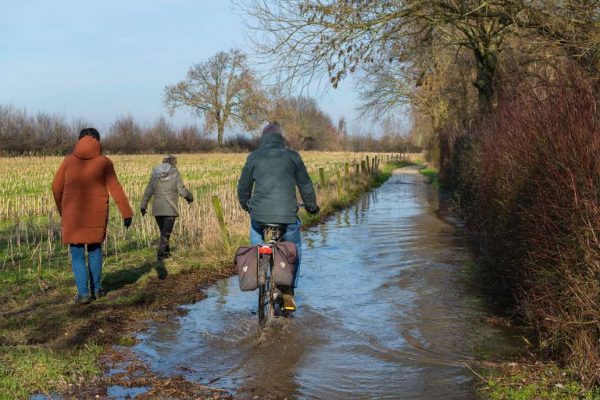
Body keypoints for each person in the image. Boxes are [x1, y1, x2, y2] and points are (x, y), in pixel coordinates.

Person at [237, 122, 319, 310]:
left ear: (263, 139)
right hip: (287, 217)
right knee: (295, 247)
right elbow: (305, 185)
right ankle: (288, 291)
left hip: (259, 217)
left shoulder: (254, 157)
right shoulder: (293, 157)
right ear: (280, 139)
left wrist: (247, 206)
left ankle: (257, 262)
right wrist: (312, 207)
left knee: (256, 236)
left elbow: (243, 187)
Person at [52, 128, 133, 305]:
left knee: (77, 254)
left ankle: (83, 294)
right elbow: (115, 188)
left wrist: (62, 210)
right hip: (96, 216)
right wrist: (126, 212)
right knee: (95, 251)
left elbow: (56, 188)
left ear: (78, 140)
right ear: (97, 140)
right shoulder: (104, 162)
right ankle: (96, 290)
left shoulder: (68, 161)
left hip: (73, 216)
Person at [140, 155, 193, 261]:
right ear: (173, 162)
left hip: (157, 209)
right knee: (166, 233)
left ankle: (166, 253)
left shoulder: (155, 173)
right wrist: (190, 198)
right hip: (170, 208)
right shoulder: (175, 172)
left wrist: (143, 205)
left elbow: (149, 190)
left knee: (164, 232)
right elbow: (182, 190)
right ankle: (160, 256)